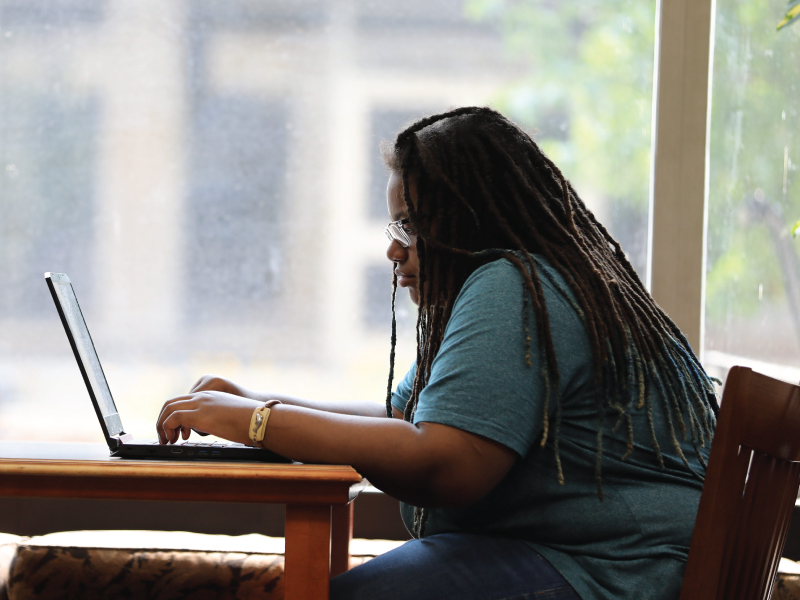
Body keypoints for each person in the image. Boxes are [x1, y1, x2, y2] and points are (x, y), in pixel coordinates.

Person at [156, 107, 719, 600]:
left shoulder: (517, 287)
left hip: (618, 577)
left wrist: (259, 423)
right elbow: (403, 419)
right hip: (619, 564)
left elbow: (445, 464)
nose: (393, 248)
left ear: (471, 219)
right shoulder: (541, 280)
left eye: (411, 225)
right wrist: (256, 403)